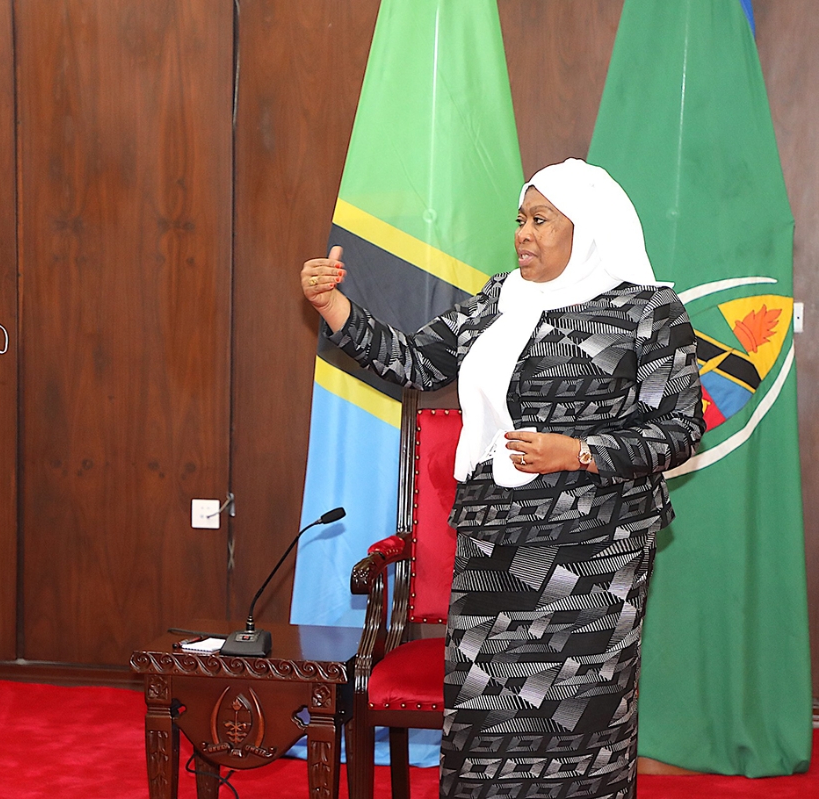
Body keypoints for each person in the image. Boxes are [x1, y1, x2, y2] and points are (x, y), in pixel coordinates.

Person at [301, 158, 704, 799]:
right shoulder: (500, 299)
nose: (524, 234)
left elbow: (679, 429)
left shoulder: (648, 311)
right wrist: (337, 308)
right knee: (487, 728)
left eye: (541, 220)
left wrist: (578, 451)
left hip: (595, 554)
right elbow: (414, 360)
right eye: (521, 219)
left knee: (578, 724)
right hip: (496, 547)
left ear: (588, 229)